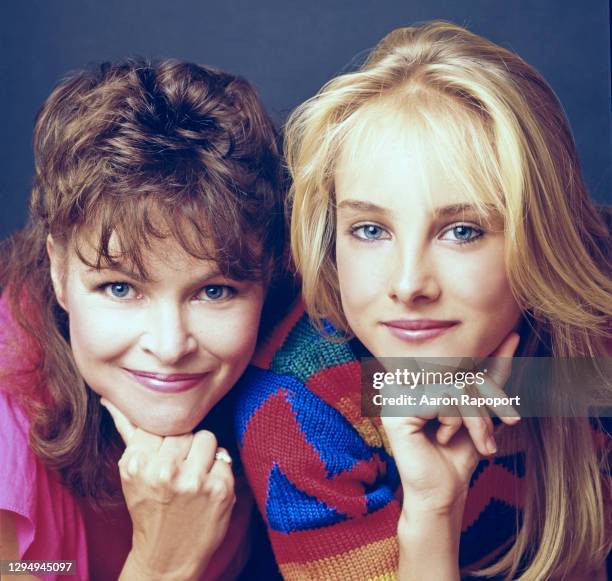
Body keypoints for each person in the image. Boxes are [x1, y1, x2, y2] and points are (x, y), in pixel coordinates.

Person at [234, 21, 611, 580]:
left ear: (541, 233)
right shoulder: (297, 406)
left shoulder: (589, 337)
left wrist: (530, 385)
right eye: (369, 230)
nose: (409, 284)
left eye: (462, 231)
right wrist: (434, 507)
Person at [0, 58, 288, 580]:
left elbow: (440, 383)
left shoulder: (288, 346)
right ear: (59, 271)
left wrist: (483, 385)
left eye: (214, 291)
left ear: (268, 279)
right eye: (120, 288)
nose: (170, 344)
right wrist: (163, 564)